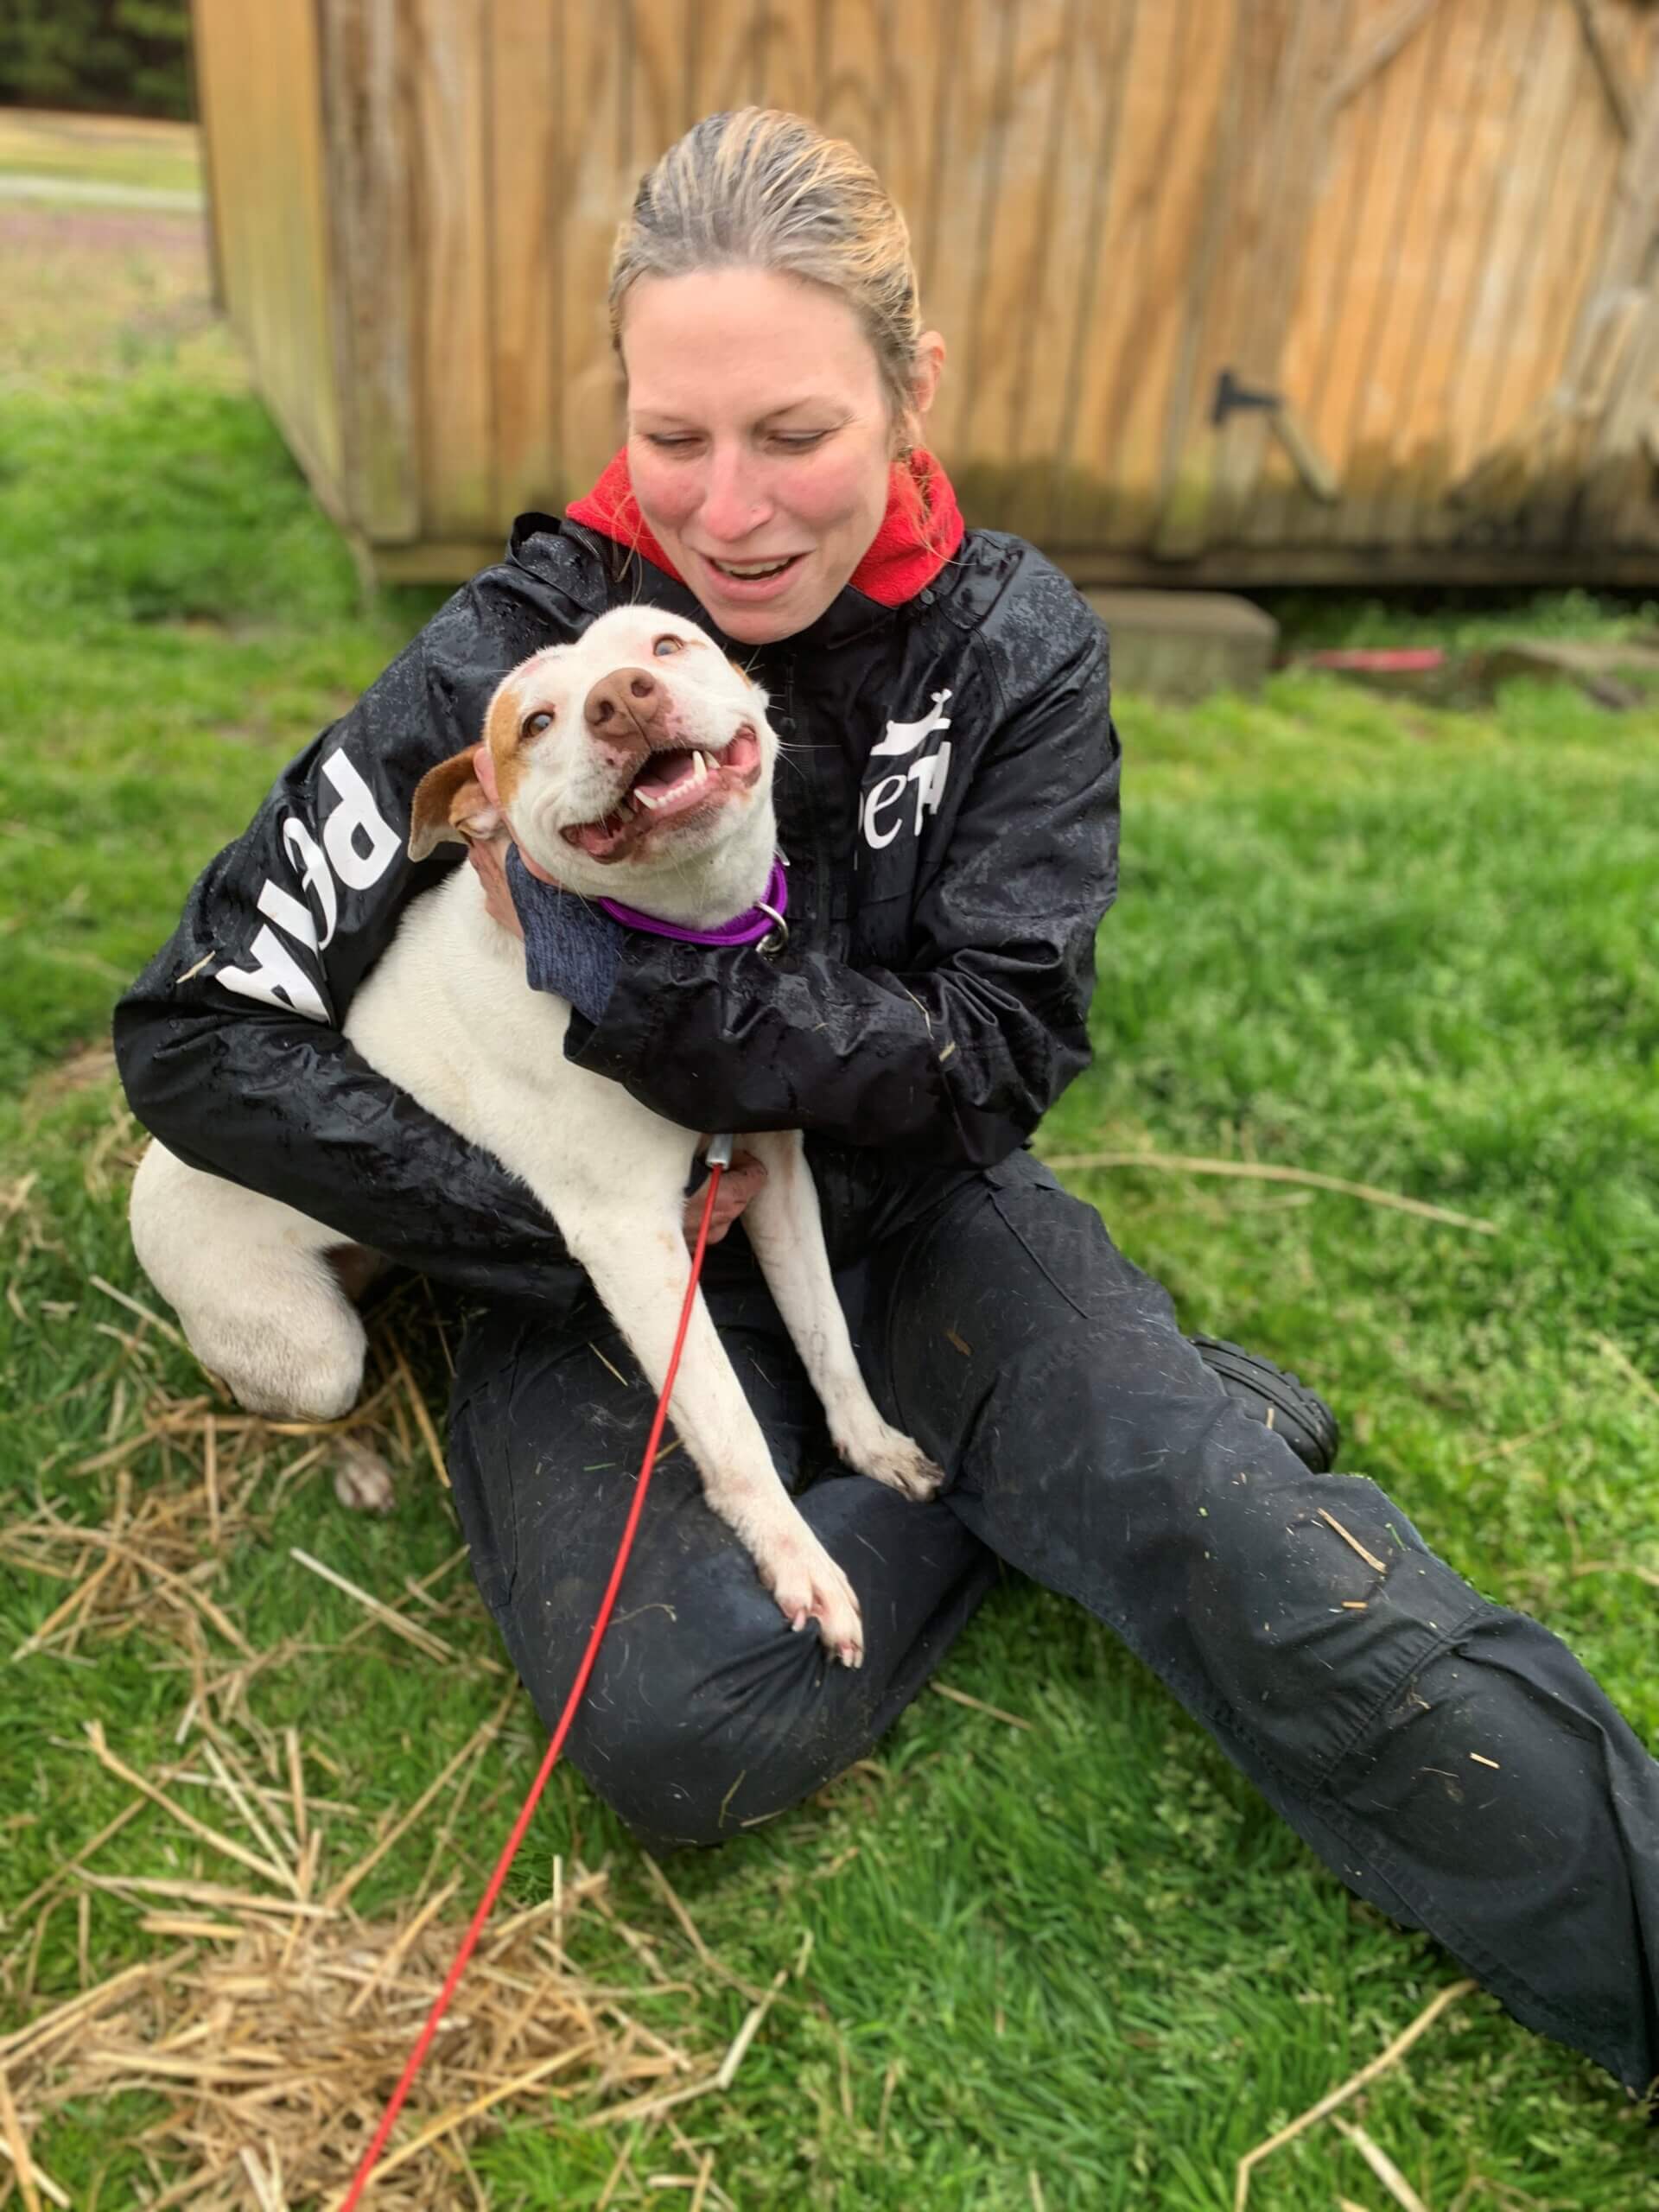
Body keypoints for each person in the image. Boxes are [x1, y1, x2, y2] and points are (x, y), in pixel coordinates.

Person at [114, 108, 1658, 2103]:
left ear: (914, 389)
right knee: (681, 1725)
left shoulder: (1011, 643)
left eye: (797, 432)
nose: (730, 511)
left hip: (906, 1198)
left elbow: (996, 1053)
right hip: (570, 1252)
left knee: (1264, 1560)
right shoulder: (516, 657)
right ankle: (1005, 1488)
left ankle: (1129, 1469)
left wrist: (693, 1017)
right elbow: (198, 1034)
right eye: (675, 438)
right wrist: (534, 1229)